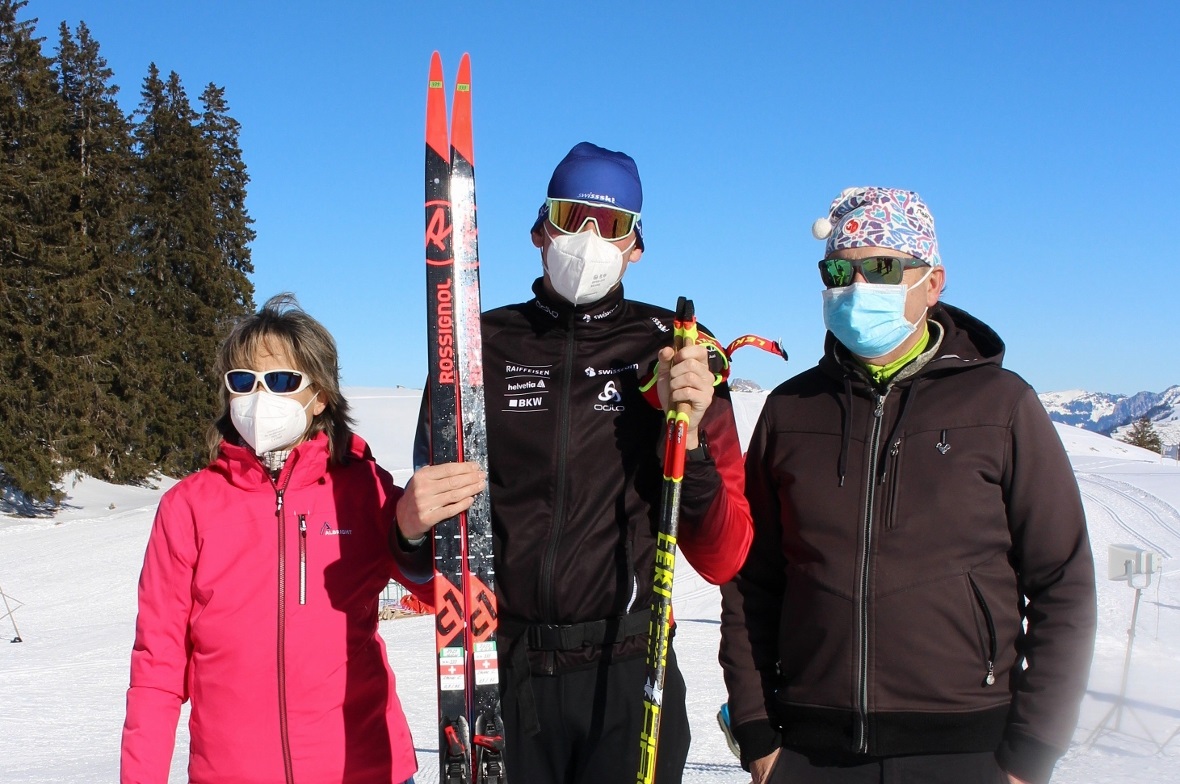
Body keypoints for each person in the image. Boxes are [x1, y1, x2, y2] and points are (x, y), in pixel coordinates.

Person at [401, 142, 754, 783]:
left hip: (628, 676)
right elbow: (427, 556)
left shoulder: (676, 355)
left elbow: (724, 553)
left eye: (612, 224)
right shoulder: (476, 346)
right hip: (503, 670)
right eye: (571, 217)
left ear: (636, 246)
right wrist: (407, 528)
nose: (589, 238)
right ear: (540, 228)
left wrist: (692, 436)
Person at [718, 187, 1097, 784]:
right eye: (840, 269)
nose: (858, 286)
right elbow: (751, 581)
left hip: (966, 745)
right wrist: (756, 730)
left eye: (883, 267)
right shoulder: (791, 410)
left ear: (933, 282)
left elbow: (1063, 584)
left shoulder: (1001, 407)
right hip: (811, 748)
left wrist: (1031, 752)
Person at [120, 294, 484, 784]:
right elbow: (157, 669)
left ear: (320, 396)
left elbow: (448, 602)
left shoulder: (362, 489)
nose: (259, 397)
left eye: (282, 381)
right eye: (243, 381)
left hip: (366, 768)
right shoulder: (188, 507)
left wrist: (413, 532)